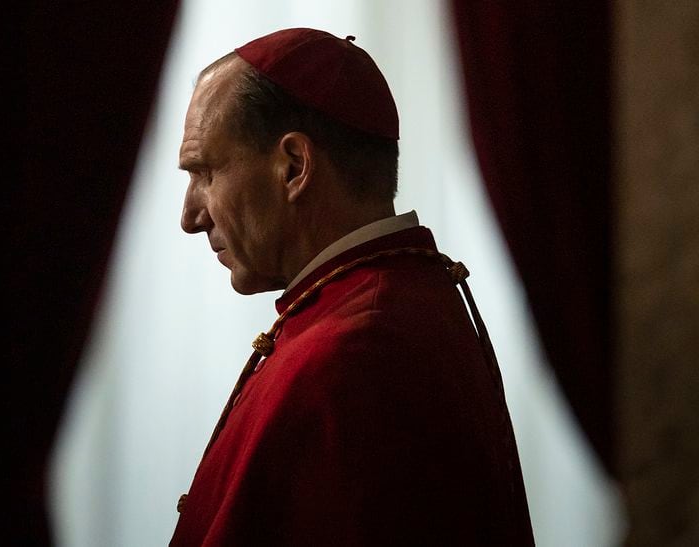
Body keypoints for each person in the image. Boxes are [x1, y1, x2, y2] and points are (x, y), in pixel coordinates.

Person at [171, 28, 534, 546]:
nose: (189, 216)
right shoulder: (397, 299)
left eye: (204, 172)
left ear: (294, 166)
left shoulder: (354, 352)